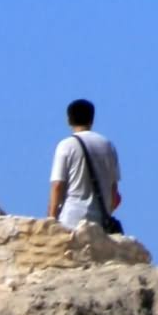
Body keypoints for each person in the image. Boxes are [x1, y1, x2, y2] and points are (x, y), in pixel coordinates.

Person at [47, 98, 121, 230]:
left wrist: (51, 219)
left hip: (71, 218)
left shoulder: (65, 145)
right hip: (99, 221)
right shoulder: (108, 145)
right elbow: (113, 188)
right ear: (92, 119)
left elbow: (57, 185)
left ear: (69, 120)